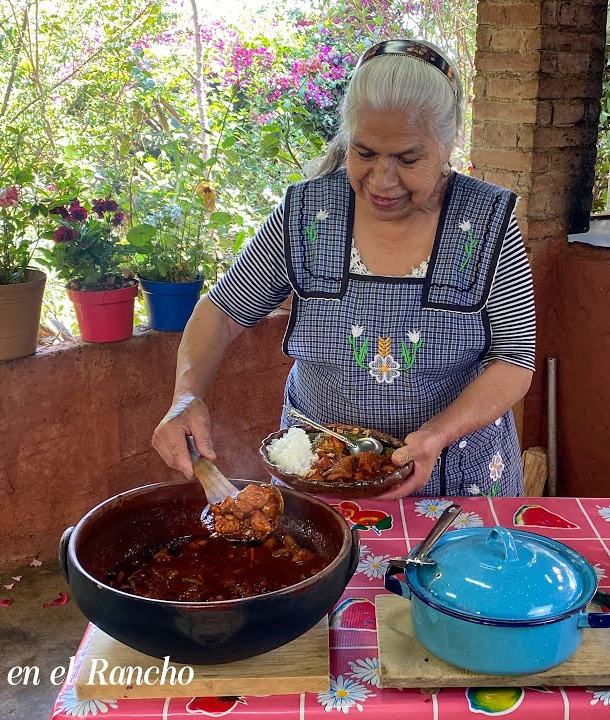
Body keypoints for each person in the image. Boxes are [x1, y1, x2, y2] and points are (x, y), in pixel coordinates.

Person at [152, 38, 536, 499]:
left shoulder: (487, 223)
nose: (382, 179)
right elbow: (222, 310)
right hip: (319, 471)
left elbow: (514, 361)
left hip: (456, 477)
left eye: (408, 158)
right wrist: (187, 396)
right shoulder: (309, 214)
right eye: (365, 152)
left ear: (447, 141)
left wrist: (437, 435)